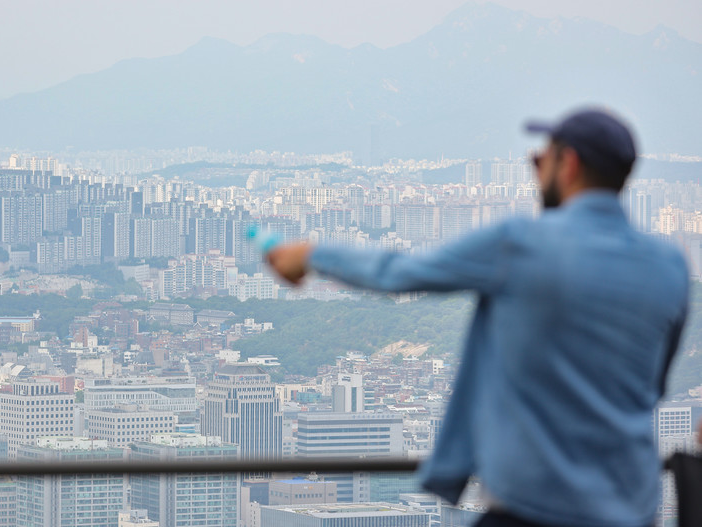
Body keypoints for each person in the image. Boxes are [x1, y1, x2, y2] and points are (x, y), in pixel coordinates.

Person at [267, 108, 689, 527]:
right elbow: (654, 384)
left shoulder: (521, 244)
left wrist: (311, 255)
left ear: (570, 163)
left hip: (536, 505)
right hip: (632, 506)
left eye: (541, 158)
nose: (535, 167)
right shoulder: (670, 267)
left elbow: (399, 273)